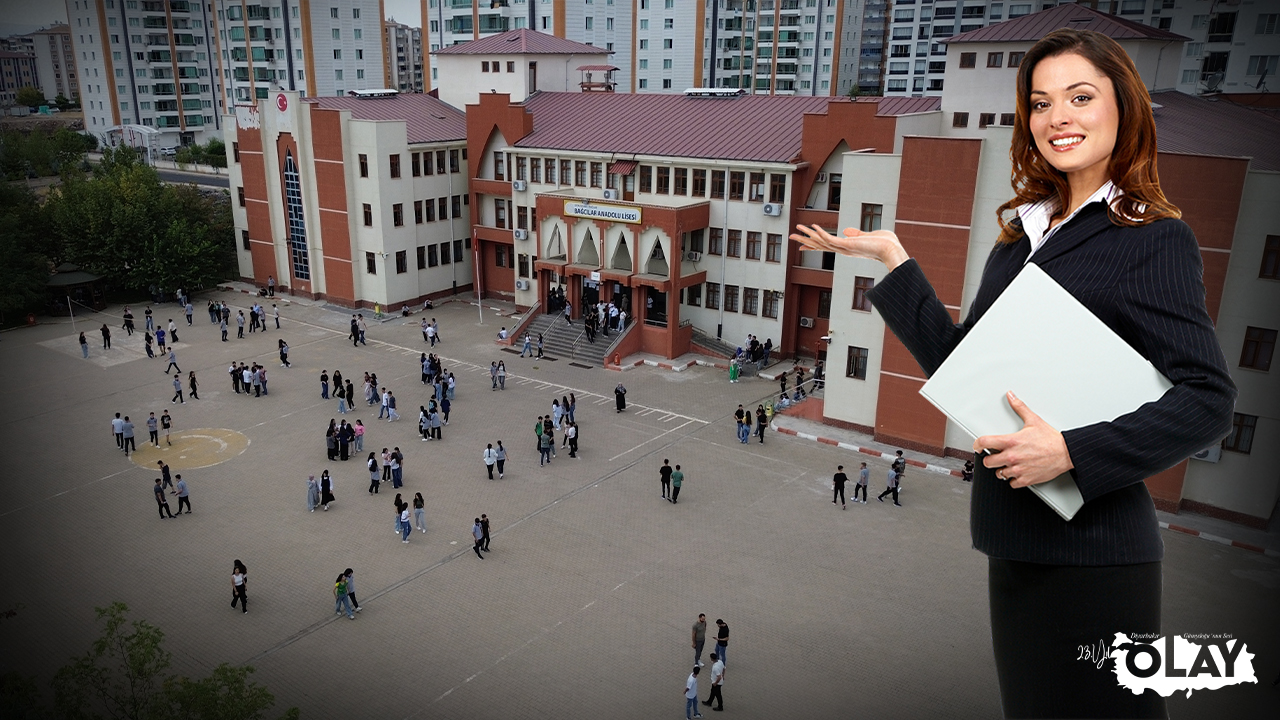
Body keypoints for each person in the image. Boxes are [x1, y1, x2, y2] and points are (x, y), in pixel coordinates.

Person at [794, 33, 1241, 717]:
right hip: (1019, 540)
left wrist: (1069, 450)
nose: (1057, 116)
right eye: (1040, 103)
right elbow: (964, 370)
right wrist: (892, 258)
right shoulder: (1018, 238)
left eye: (1080, 97)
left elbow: (1209, 400)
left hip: (1096, 553)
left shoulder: (1153, 236)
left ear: (1124, 109)